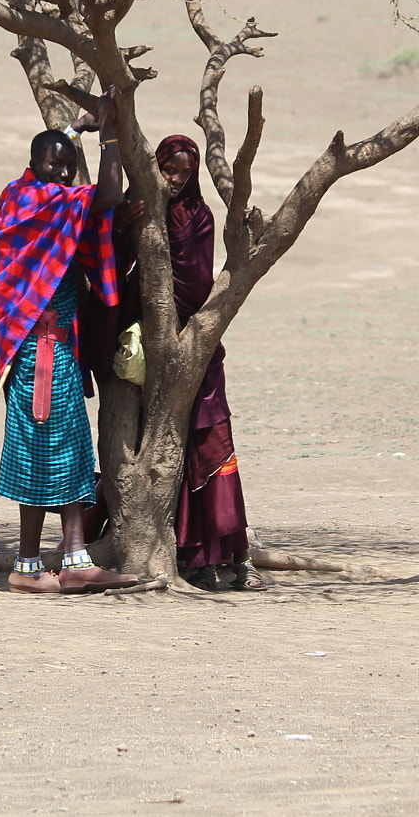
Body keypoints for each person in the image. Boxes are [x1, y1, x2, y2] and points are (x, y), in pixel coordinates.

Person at [0, 102, 141, 594]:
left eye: (67, 169)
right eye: (54, 166)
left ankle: (70, 560)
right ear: (35, 165)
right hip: (37, 354)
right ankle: (28, 565)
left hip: (59, 353)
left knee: (69, 453)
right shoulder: (32, 202)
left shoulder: (35, 200)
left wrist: (75, 130)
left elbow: (92, 199)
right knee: (37, 453)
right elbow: (110, 193)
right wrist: (110, 134)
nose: (63, 175)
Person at [152, 134, 267, 591]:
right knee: (172, 459)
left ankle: (238, 557)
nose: (177, 180)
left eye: (185, 172)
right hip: (156, 357)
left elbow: (198, 284)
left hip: (199, 352)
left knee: (215, 447)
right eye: (170, 171)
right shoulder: (143, 216)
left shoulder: (199, 216)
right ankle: (195, 559)